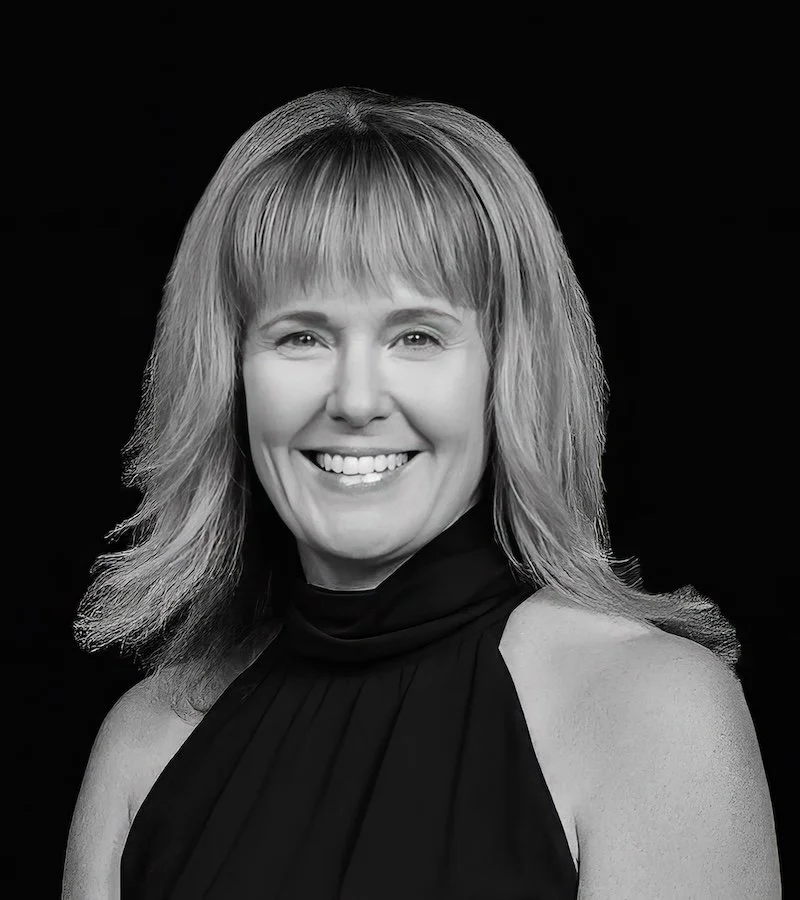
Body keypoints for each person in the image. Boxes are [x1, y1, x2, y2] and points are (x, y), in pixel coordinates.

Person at [62, 86, 781, 899]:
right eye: (301, 335)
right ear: (229, 376)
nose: (357, 399)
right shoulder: (145, 746)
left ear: (505, 373)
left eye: (416, 336)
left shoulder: (650, 714)